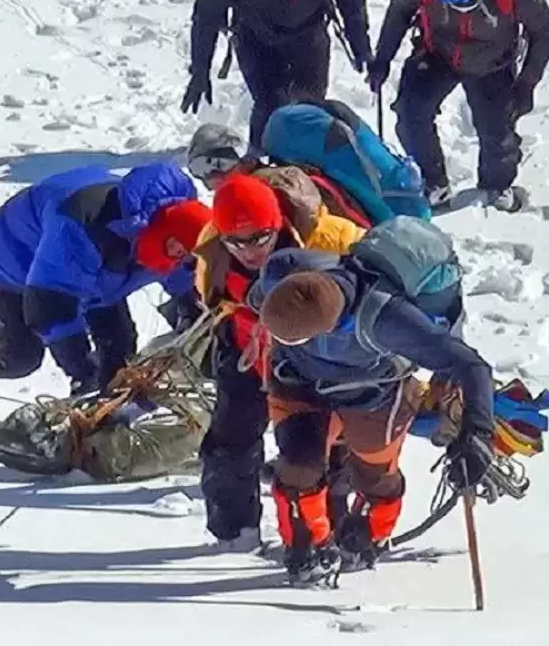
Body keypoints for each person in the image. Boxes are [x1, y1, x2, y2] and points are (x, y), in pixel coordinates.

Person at [249, 246, 496, 585]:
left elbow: (470, 364)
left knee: (375, 476)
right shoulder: (285, 276)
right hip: (297, 383)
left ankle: (362, 542)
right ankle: (305, 552)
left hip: (375, 393)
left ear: (324, 329)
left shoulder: (387, 319)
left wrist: (478, 432)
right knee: (298, 467)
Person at [169, 174, 362, 551]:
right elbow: (212, 300)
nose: (250, 249)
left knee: (328, 445)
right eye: (237, 241)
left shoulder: (334, 238)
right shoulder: (212, 252)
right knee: (230, 439)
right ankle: (234, 534)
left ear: (278, 223)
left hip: (322, 356)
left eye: (261, 236)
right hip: (248, 352)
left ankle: (333, 532)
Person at [0, 162, 210, 427]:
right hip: (16, 262)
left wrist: (197, 322)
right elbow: (49, 306)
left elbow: (190, 285)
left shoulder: (171, 242)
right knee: (21, 357)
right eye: (178, 253)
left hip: (97, 272)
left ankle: (102, 430)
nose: (181, 260)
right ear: (160, 235)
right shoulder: (84, 226)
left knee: (119, 352)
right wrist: (83, 370)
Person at [369, 0, 549, 212]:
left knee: (497, 131)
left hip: (492, 61)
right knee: (410, 112)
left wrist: (527, 83)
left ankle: (496, 187)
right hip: (438, 51)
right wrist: (382, 58)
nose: (452, 1)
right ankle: (433, 182)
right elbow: (401, 8)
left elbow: (543, 30)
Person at [183, 0, 371, 148]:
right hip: (256, 39)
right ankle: (259, 160)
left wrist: (360, 45)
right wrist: (200, 69)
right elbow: (206, 15)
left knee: (309, 107)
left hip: (309, 37)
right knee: (270, 104)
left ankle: (308, 166)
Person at [186, 120, 371, 227]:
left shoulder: (272, 184)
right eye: (200, 169)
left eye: (219, 163)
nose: (213, 176)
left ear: (244, 159)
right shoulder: (258, 186)